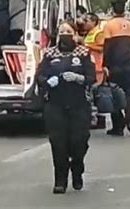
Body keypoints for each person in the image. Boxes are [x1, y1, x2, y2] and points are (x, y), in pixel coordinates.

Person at [37, 20, 96, 194]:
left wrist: (78, 78)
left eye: (68, 31)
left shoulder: (84, 53)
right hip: (55, 104)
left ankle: (77, 170)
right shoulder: (49, 54)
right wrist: (47, 81)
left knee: (79, 142)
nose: (65, 34)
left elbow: (92, 77)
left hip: (79, 104)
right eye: (61, 31)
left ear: (75, 34)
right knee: (58, 143)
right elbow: (40, 76)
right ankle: (60, 180)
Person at [102, 0, 130, 136]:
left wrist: (105, 65)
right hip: (128, 64)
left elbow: (108, 47)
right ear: (124, 10)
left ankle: (118, 126)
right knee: (128, 94)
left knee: (114, 95)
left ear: (112, 10)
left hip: (114, 65)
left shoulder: (109, 25)